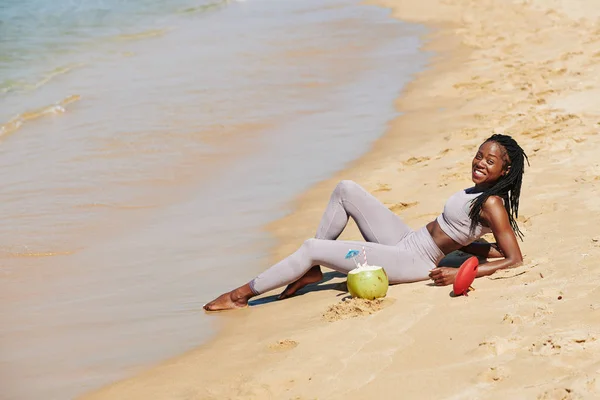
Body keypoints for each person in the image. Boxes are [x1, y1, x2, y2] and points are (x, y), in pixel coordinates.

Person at [204, 134, 528, 312]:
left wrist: (461, 271)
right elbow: (474, 239)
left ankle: (240, 296)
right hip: (406, 240)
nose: (480, 162)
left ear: (505, 169)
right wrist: (471, 249)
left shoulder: (492, 204)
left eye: (490, 160)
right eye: (479, 154)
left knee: (312, 247)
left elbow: (515, 258)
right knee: (346, 189)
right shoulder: (477, 191)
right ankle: (311, 270)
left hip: (413, 261)